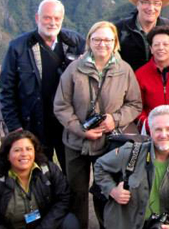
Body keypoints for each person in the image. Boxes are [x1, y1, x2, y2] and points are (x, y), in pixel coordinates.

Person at [53, 21, 142, 229]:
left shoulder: (124, 70)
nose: (102, 44)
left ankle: (107, 225)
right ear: (89, 42)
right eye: (97, 39)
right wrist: (79, 129)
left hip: (109, 142)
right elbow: (61, 105)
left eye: (108, 40)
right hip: (76, 142)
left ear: (115, 43)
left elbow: (135, 104)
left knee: (106, 190)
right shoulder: (74, 69)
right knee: (76, 191)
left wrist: (115, 119)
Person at [94, 105, 169, 228]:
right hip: (127, 224)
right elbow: (99, 166)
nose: (163, 135)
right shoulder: (131, 152)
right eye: (158, 129)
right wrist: (112, 190)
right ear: (150, 131)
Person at [0, 0, 85, 170]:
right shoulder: (18, 47)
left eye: (56, 18)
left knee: (71, 173)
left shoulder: (75, 43)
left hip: (67, 123)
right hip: (33, 122)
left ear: (62, 19)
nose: (52, 23)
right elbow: (6, 90)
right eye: (47, 18)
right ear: (37, 18)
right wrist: (15, 127)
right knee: (40, 173)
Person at [0, 131, 78, 229]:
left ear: (35, 151)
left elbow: (64, 198)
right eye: (17, 150)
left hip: (44, 224)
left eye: (29, 149)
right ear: (7, 155)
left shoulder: (49, 171)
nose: (24, 154)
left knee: (70, 222)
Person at [135, 24, 169, 131]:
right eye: (156, 45)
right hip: (153, 130)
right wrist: (148, 124)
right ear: (151, 49)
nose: (161, 48)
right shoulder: (140, 74)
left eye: (165, 44)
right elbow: (136, 106)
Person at [114, 0, 169, 72]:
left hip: (160, 84)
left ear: (161, 6)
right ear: (137, 4)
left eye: (156, 3)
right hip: (127, 84)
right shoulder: (121, 29)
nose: (151, 8)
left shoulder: (168, 27)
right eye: (145, 2)